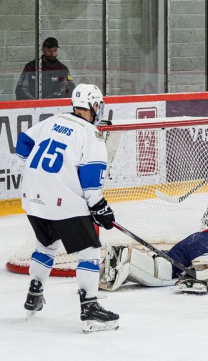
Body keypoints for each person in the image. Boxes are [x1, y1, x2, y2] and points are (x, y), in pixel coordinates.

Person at [14, 83, 118, 332]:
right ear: (93, 105)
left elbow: (23, 141)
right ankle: (90, 308)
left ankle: (34, 294)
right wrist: (100, 207)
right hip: (62, 200)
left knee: (46, 245)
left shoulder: (52, 120)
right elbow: (91, 186)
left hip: (31, 195)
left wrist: (30, 171)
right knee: (89, 251)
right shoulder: (92, 135)